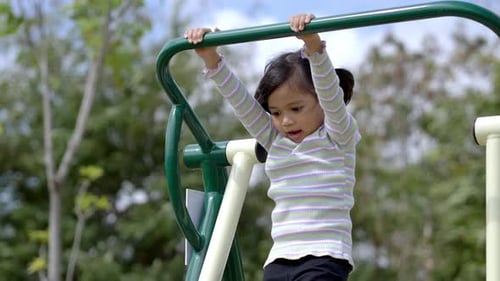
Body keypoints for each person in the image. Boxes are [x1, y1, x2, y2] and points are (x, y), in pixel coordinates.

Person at [185, 13, 360, 281]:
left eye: (296, 108)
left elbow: (329, 92)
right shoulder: (275, 140)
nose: (286, 120)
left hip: (324, 257)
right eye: (276, 113)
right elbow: (241, 102)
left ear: (321, 102)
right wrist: (211, 59)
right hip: (279, 259)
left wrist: (313, 46)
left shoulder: (337, 137)